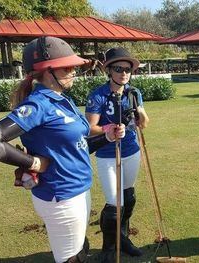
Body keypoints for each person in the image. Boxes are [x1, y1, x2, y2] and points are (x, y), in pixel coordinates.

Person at [0, 36, 125, 263]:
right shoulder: (38, 105)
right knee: (70, 259)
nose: (74, 70)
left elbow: (78, 146)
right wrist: (33, 163)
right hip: (61, 195)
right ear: (48, 71)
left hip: (78, 189)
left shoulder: (62, 100)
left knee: (79, 250)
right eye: (67, 66)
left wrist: (106, 137)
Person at [85, 47, 149, 260]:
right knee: (115, 201)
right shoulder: (98, 95)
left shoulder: (134, 93)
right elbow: (89, 127)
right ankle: (108, 247)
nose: (124, 73)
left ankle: (123, 239)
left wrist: (140, 113)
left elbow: (144, 123)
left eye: (128, 69)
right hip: (107, 155)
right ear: (109, 70)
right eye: (118, 68)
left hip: (131, 151)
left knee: (128, 197)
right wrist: (108, 129)